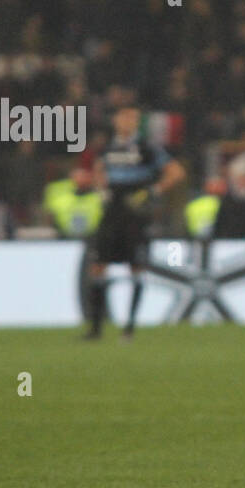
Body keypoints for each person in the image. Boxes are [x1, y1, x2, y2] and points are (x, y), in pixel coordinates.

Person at [84, 106, 185, 340]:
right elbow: (98, 171)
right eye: (124, 117)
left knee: (136, 267)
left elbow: (176, 172)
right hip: (111, 213)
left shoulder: (147, 148)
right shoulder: (107, 148)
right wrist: (101, 189)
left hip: (135, 217)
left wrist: (153, 191)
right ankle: (95, 329)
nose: (128, 122)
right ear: (116, 120)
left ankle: (129, 327)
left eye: (133, 119)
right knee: (98, 266)